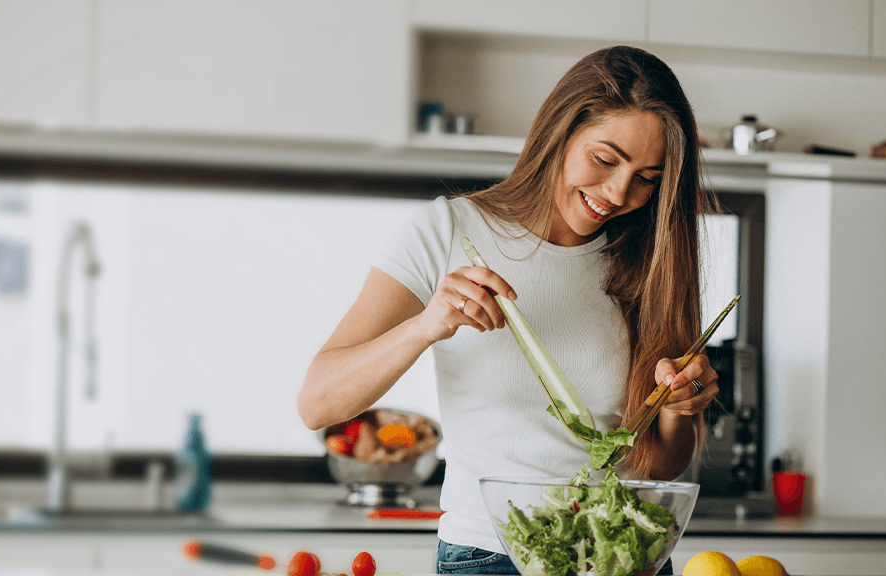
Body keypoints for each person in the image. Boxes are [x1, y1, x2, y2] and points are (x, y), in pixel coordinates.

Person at [298, 45, 719, 575]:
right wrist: (426, 325)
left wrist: (681, 410)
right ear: (559, 134)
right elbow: (318, 403)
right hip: (489, 554)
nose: (618, 192)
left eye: (647, 178)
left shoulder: (649, 262)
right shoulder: (449, 232)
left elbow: (655, 463)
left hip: (622, 555)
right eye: (605, 160)